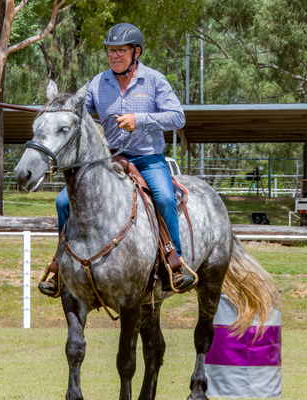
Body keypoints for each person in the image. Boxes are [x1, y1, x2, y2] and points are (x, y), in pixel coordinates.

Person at [38, 22, 195, 297]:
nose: (114, 55)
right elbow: (77, 113)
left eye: (121, 50)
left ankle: (174, 264)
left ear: (136, 52)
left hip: (148, 158)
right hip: (109, 160)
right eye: (111, 50)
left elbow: (177, 117)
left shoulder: (155, 80)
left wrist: (140, 119)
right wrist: (56, 111)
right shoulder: (98, 83)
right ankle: (61, 265)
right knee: (63, 201)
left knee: (164, 198)